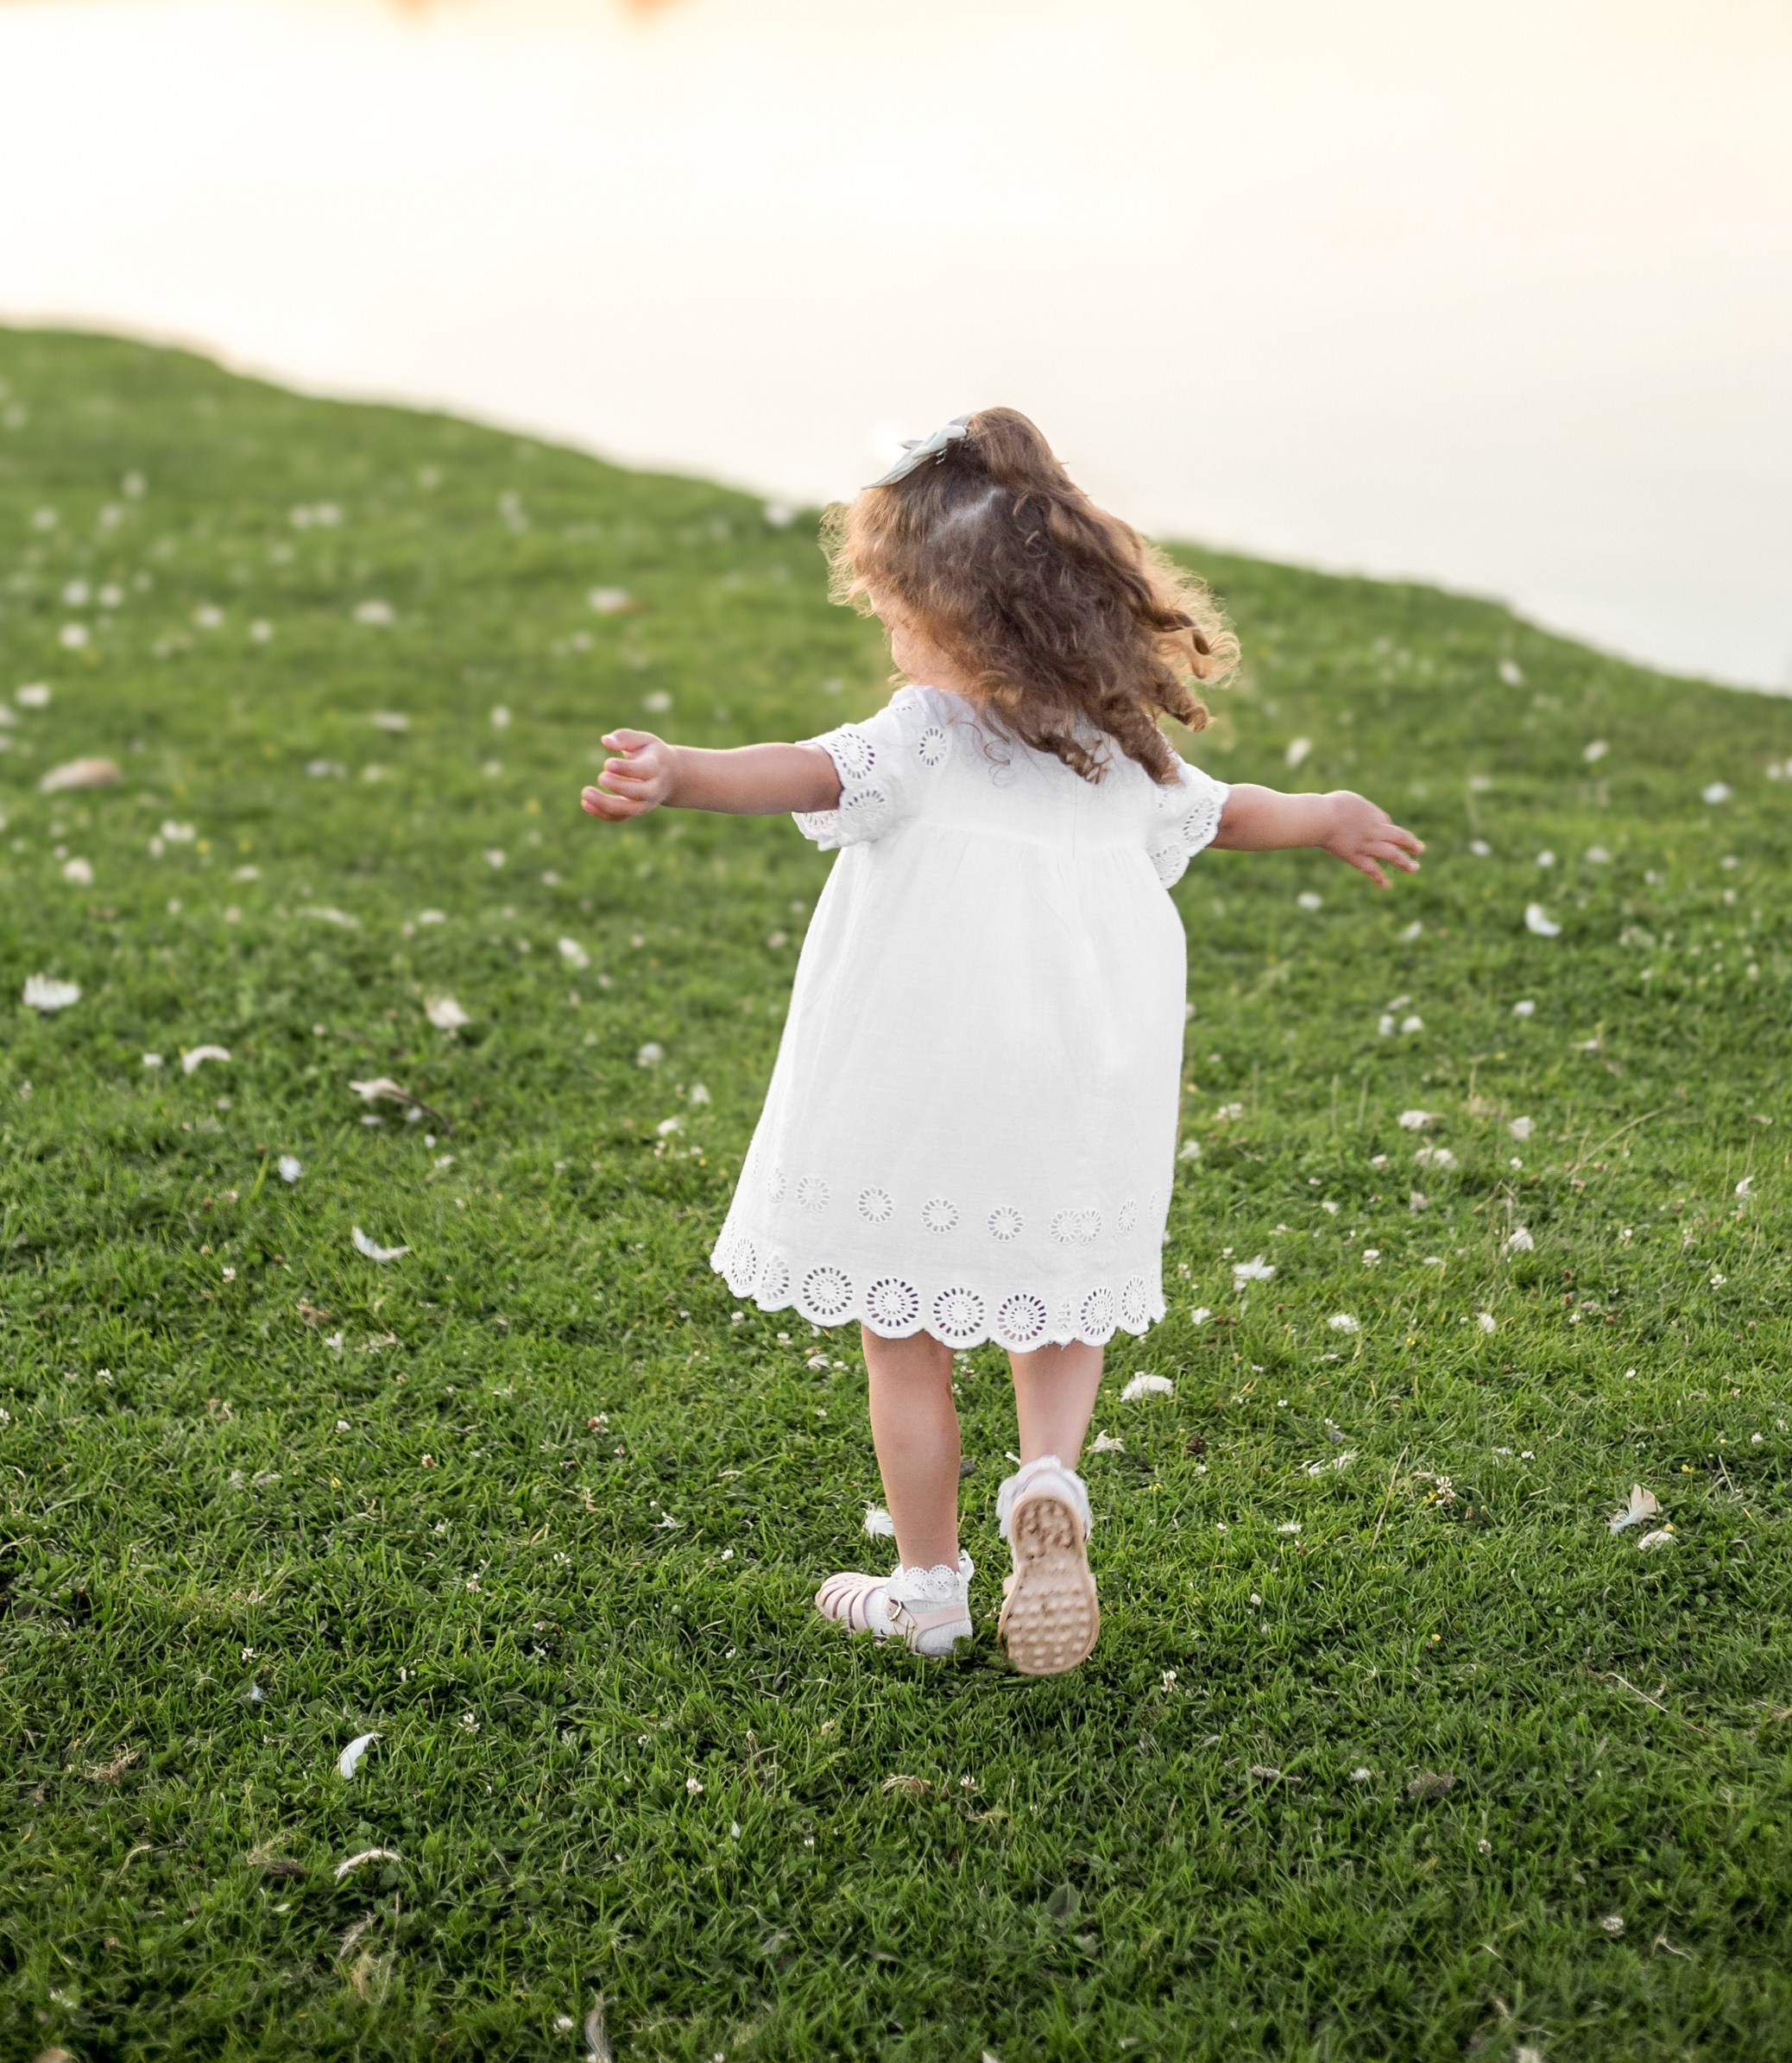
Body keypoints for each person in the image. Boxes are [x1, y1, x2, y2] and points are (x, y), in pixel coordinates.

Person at [582, 409, 1421, 1673]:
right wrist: (1328, 813)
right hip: (1079, 1079)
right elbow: (1234, 813)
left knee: (901, 1333)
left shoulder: (922, 737)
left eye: (896, 614)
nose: (889, 636)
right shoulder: (1120, 755)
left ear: (958, 623)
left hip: (923, 1076)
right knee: (1056, 1295)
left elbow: (796, 772)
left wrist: (679, 770)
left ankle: (928, 1590)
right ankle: (1049, 1475)